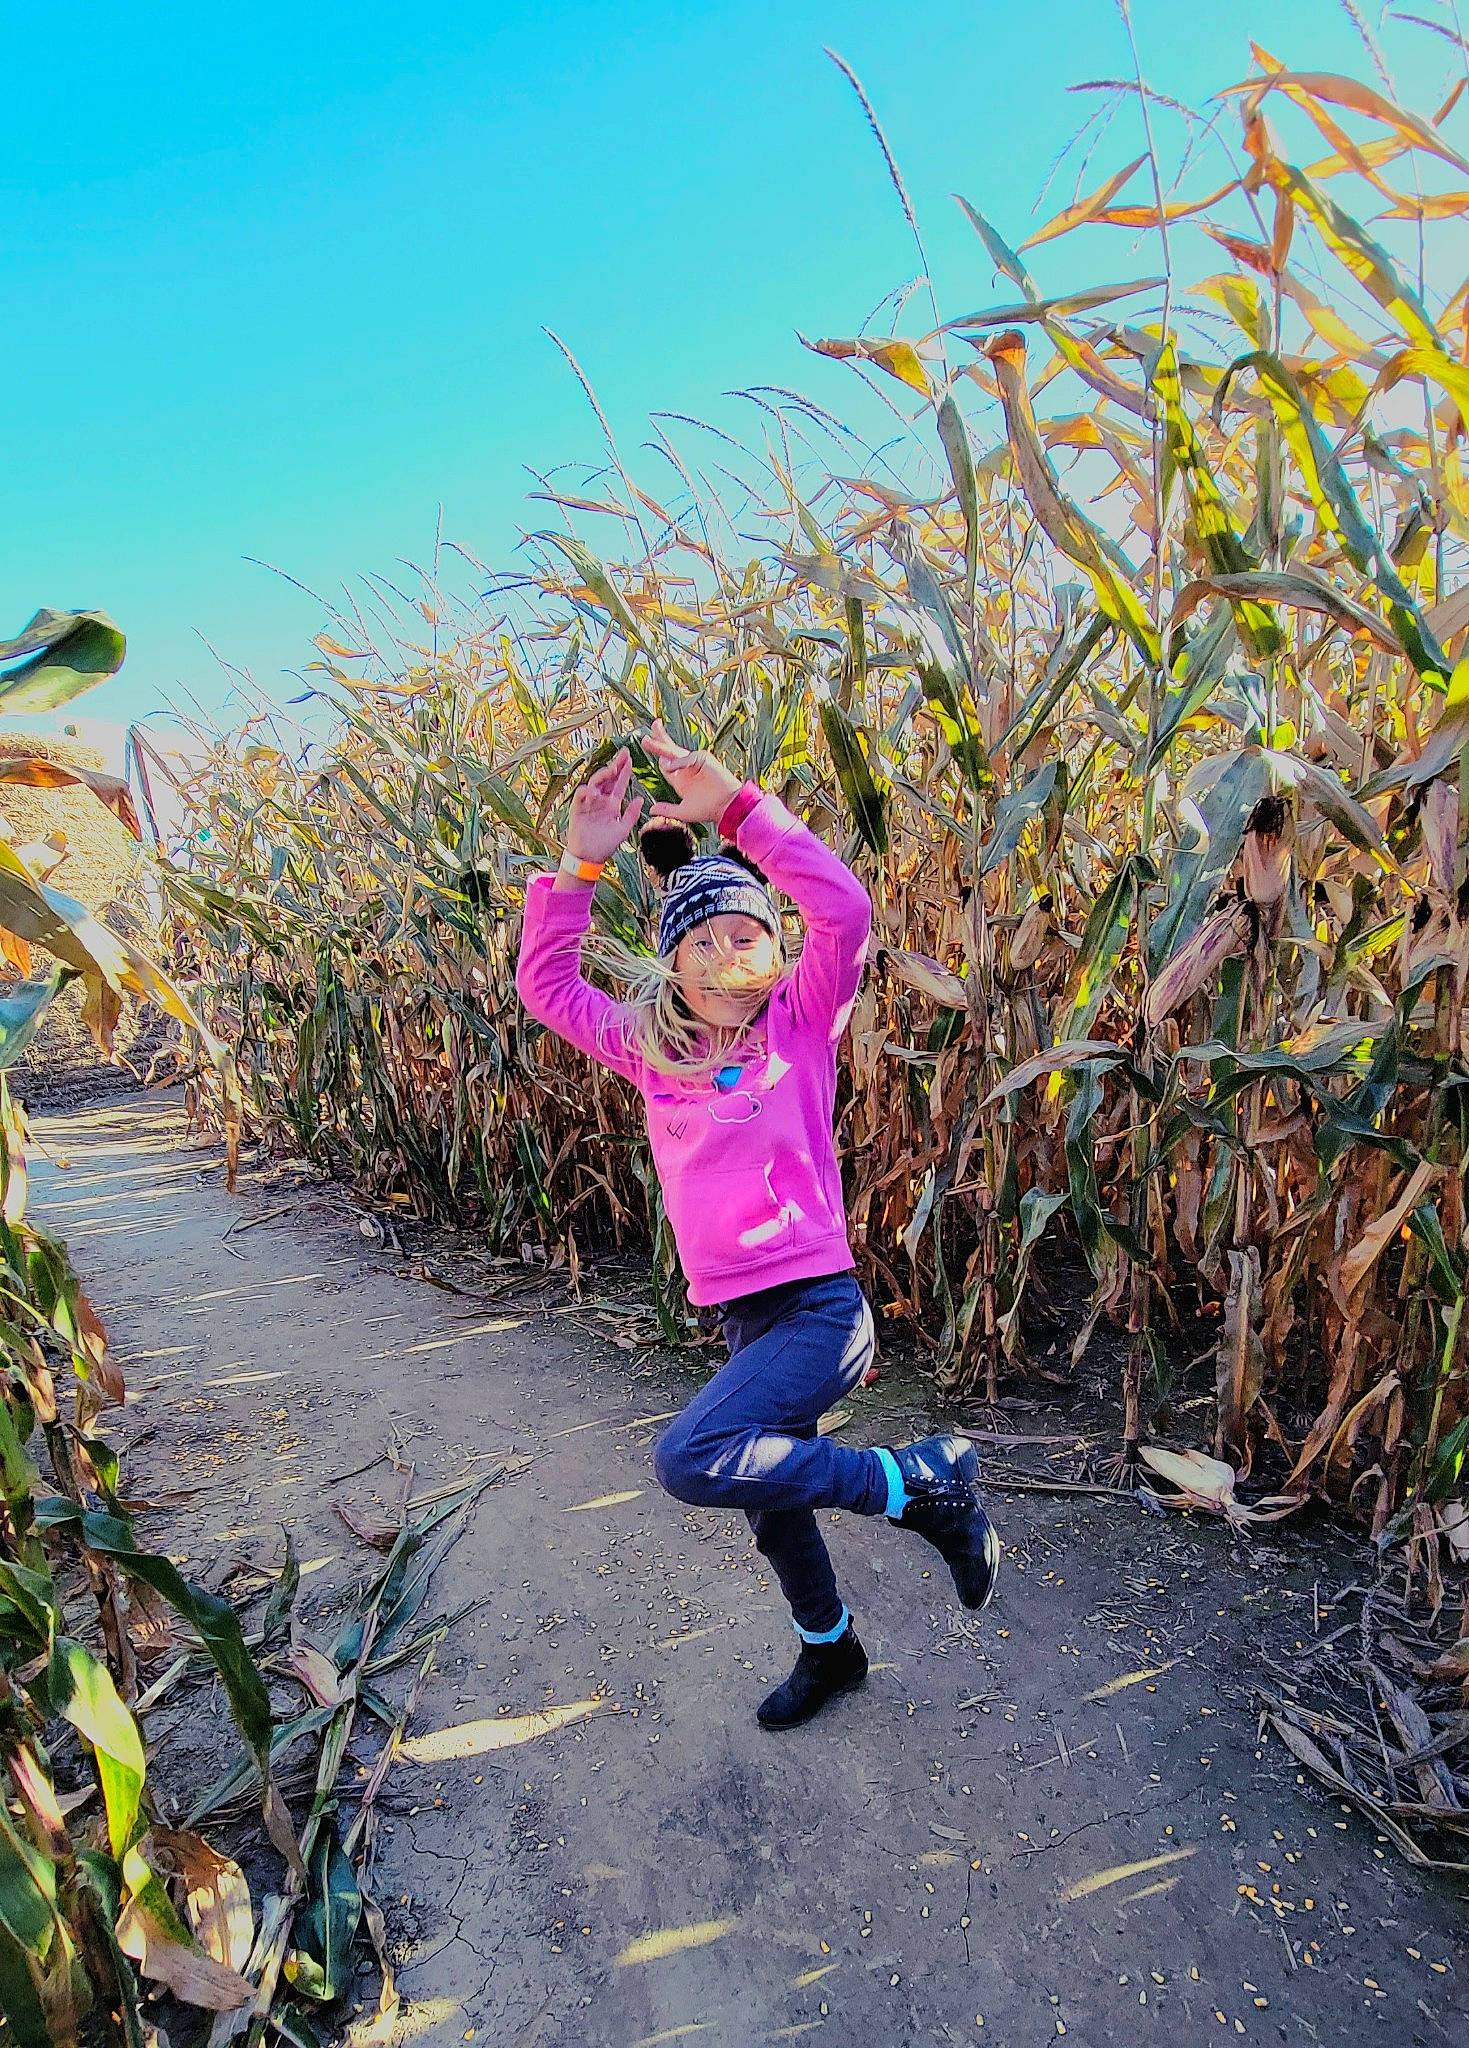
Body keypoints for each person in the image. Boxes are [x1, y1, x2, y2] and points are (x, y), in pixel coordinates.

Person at [515, 723, 1000, 1729]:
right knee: (769, 1504)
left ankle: (917, 1481)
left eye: (744, 932)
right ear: (673, 965)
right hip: (743, 1319)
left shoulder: (798, 1023)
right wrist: (581, 859)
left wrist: (736, 806)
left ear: (772, 950)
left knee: (691, 1455)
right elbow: (546, 985)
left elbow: (845, 907)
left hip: (820, 1310)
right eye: (700, 939)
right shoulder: (654, 1049)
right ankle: (831, 1649)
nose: (724, 949)